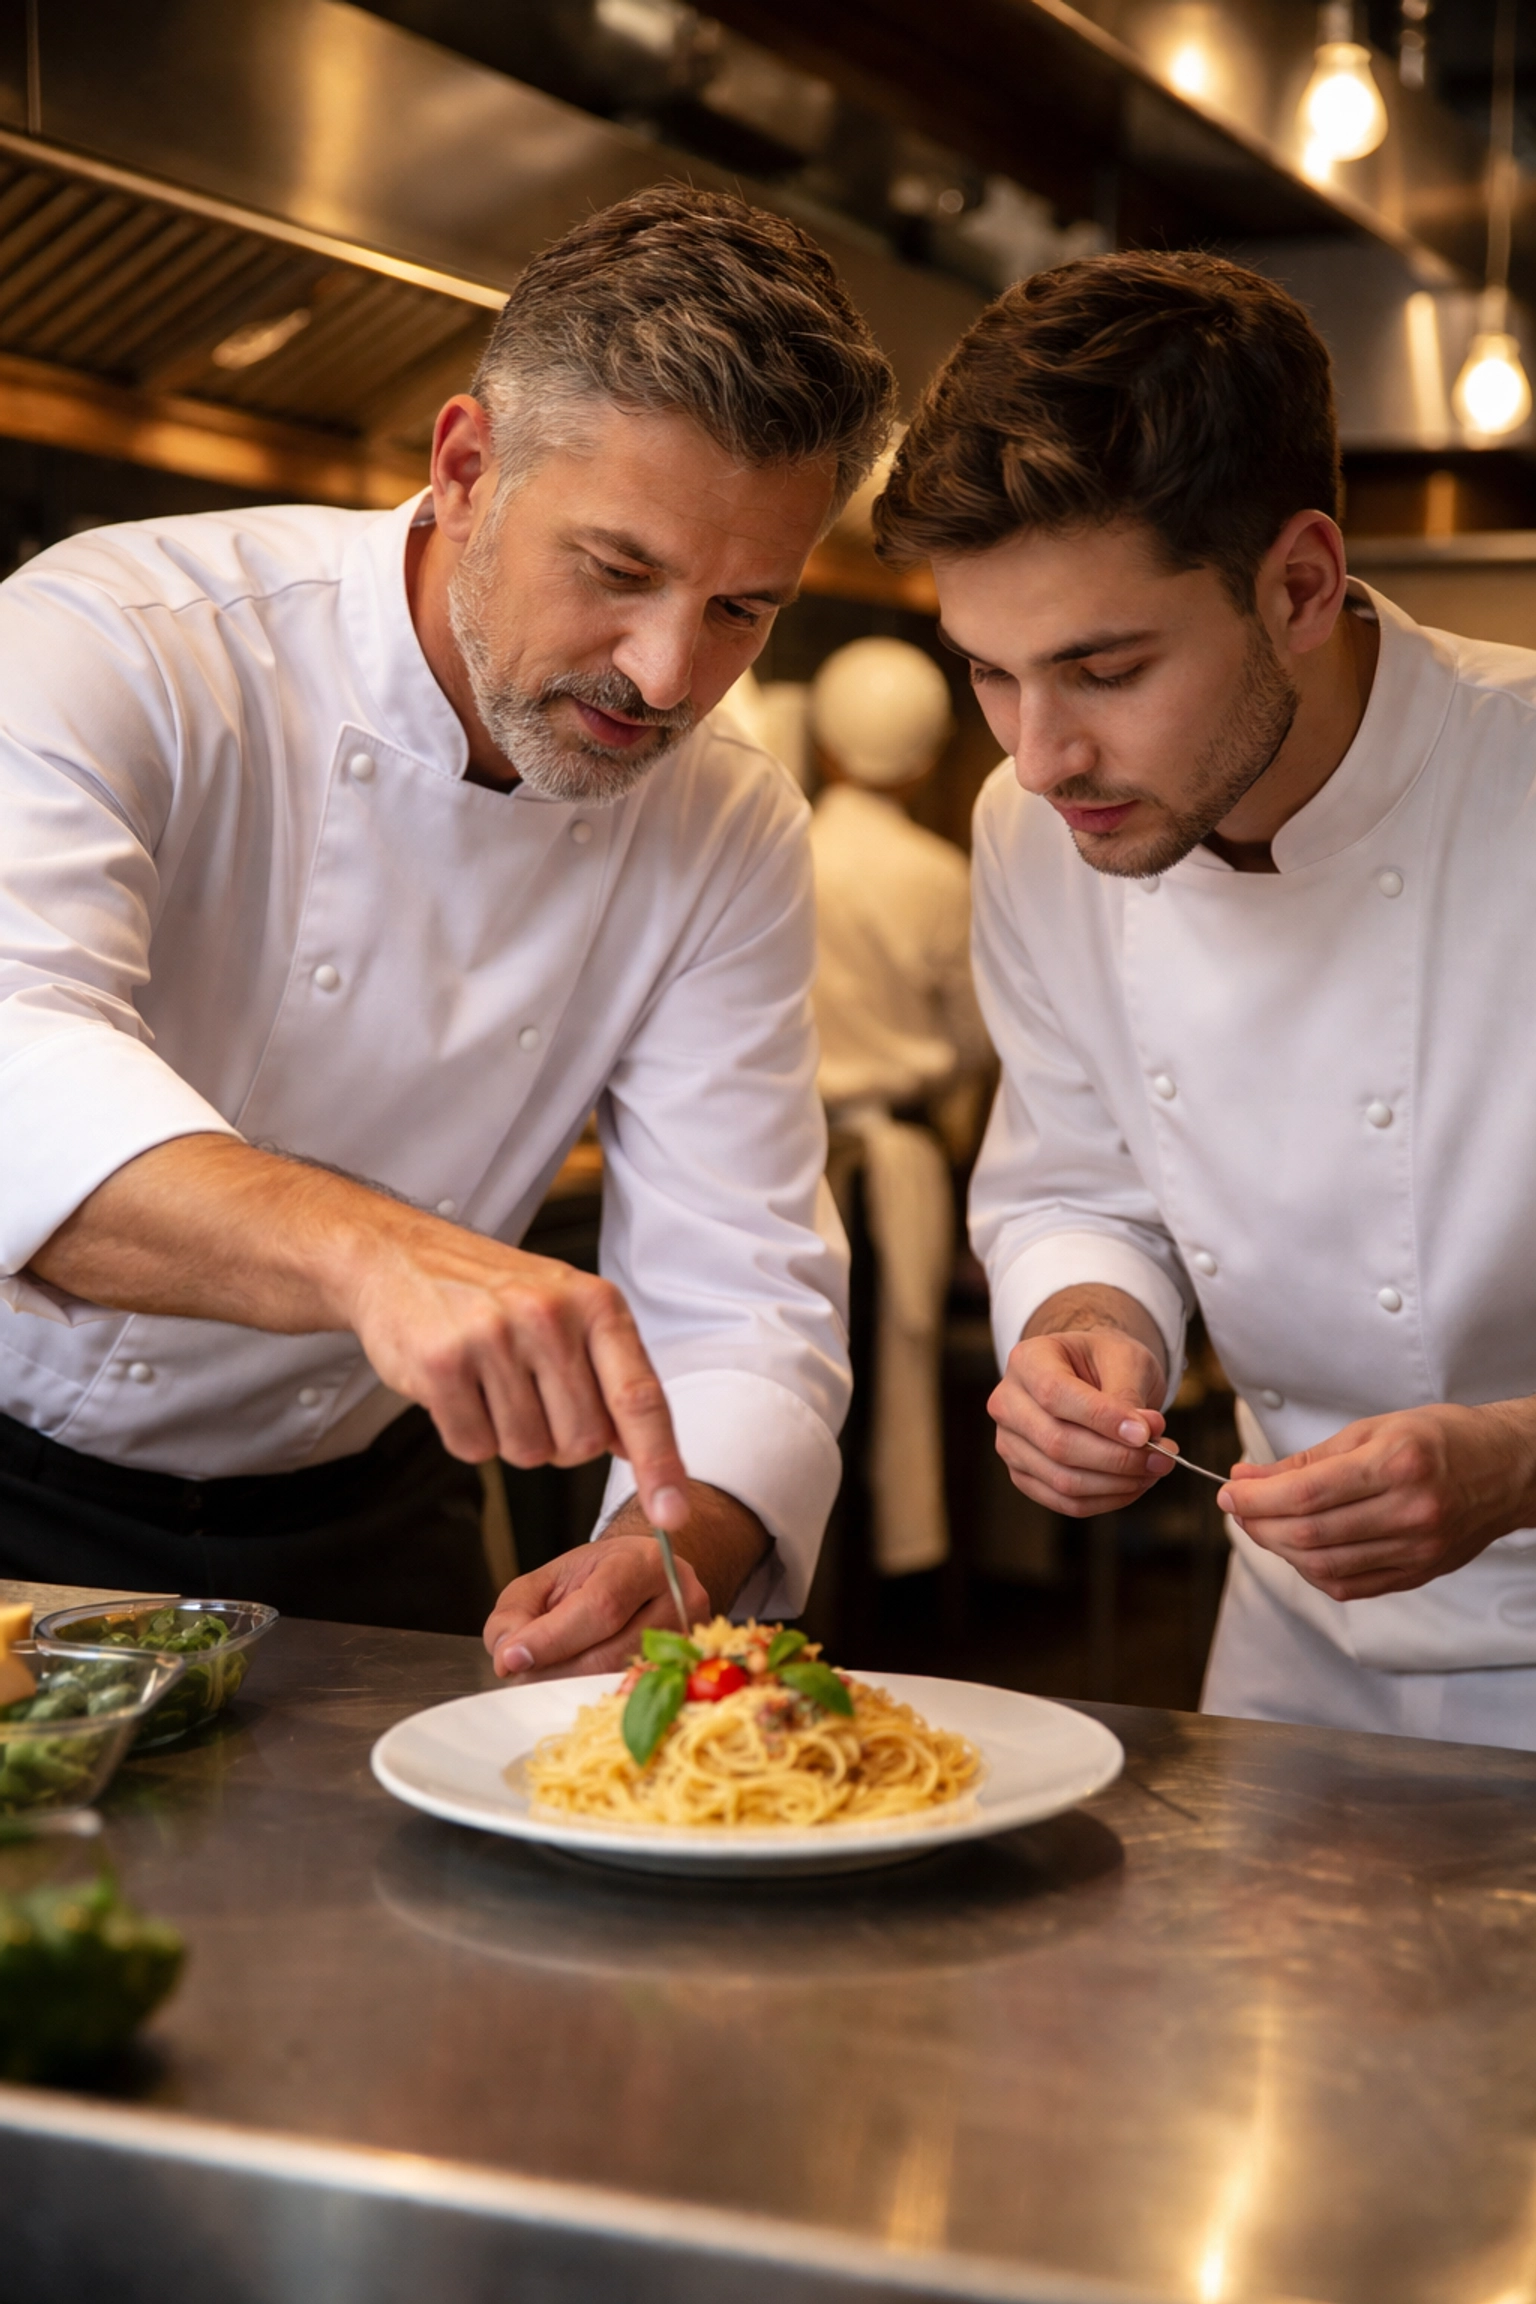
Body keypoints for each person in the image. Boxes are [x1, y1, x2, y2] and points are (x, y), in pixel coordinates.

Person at [0, 186, 896, 1675]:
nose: (670, 676)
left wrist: (669, 1545)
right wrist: (376, 1259)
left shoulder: (729, 825)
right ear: (468, 464)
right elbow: (12, 1070)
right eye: (618, 572)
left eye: (745, 608)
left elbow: (740, 1285)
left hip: (361, 1521)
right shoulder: (116, 639)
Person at [874, 249, 1536, 1750]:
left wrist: (1518, 1463)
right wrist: (1090, 1326)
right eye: (988, 672)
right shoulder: (1024, 831)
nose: (1040, 758)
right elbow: (1079, 1182)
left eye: (1103, 670)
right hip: (1290, 1651)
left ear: (1300, 583)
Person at [807, 637, 989, 1572]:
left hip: (792, 1171)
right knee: (889, 1389)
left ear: (825, 745)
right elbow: (975, 1041)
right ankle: (900, 1608)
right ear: (927, 757)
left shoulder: (773, 849)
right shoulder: (940, 875)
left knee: (804, 1395)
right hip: (900, 1172)